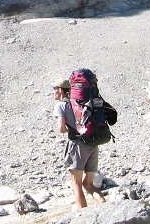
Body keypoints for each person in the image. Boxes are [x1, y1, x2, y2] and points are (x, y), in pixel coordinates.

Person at [52, 79, 106, 209]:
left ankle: (83, 216)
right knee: (88, 184)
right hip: (92, 144)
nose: (52, 92)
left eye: (54, 88)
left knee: (76, 183)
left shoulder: (61, 106)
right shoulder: (80, 103)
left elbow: (61, 129)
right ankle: (105, 207)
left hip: (77, 146)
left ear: (60, 90)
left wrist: (65, 125)